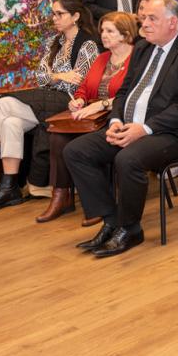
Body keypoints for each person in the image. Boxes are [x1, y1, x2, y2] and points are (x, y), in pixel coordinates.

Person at [63, 0, 178, 258]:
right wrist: (116, 120)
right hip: (130, 125)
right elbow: (123, 92)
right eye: (143, 18)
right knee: (77, 151)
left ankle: (131, 229)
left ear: (173, 23)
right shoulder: (143, 48)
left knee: (128, 159)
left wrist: (144, 129)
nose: (144, 24)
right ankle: (112, 220)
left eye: (152, 19)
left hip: (174, 134)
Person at [0, 0, 99, 212]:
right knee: (10, 122)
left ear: (75, 17)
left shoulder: (88, 44)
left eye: (60, 14)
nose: (54, 18)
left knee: (4, 102)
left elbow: (80, 80)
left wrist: (54, 76)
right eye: (53, 13)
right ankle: (9, 188)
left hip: (71, 101)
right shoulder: (54, 42)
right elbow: (40, 76)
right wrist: (59, 75)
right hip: (48, 96)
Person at [38, 12, 137, 224]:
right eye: (102, 30)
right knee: (57, 136)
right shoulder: (102, 58)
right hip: (92, 114)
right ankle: (61, 196)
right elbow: (84, 88)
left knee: (79, 146)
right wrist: (79, 101)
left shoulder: (136, 59)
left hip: (119, 116)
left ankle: (96, 202)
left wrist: (100, 105)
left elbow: (130, 96)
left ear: (126, 35)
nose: (103, 35)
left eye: (110, 31)